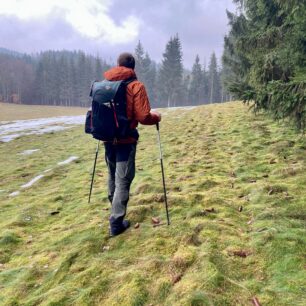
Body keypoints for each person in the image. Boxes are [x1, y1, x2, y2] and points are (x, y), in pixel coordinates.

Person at [103, 52, 161, 237]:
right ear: (133, 67)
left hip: (107, 139)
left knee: (112, 174)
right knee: (123, 179)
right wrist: (157, 117)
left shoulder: (105, 85)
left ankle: (114, 208)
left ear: (117, 64)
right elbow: (143, 116)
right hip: (126, 140)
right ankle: (116, 222)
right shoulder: (136, 86)